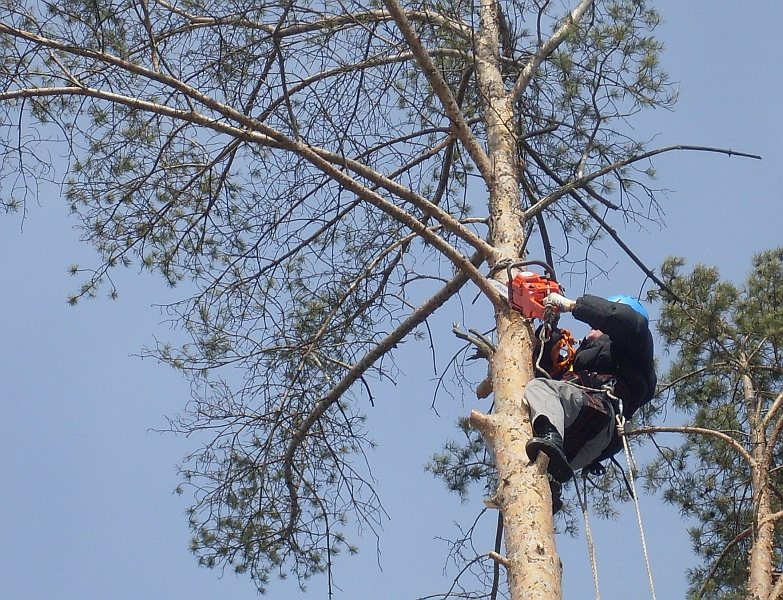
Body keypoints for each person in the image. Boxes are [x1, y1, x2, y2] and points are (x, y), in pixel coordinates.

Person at [524, 293, 656, 505]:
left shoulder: (633, 344)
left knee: (540, 388)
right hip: (581, 450)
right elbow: (542, 374)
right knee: (528, 404)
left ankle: (551, 442)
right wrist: (548, 337)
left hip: (596, 410)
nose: (591, 328)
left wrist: (575, 306)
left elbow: (625, 321)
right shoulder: (578, 366)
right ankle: (546, 486)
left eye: (597, 323)